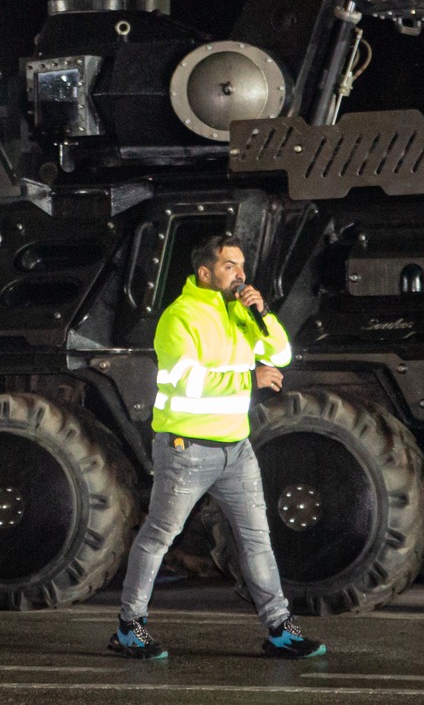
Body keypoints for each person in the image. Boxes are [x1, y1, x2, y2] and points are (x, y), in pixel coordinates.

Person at [108, 233, 326, 660]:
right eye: (230, 266)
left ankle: (280, 629)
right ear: (205, 272)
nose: (240, 275)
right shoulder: (179, 318)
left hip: (236, 448)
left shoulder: (238, 313)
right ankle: (128, 628)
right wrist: (249, 380)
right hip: (186, 449)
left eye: (242, 266)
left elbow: (280, 354)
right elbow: (187, 384)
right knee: (158, 537)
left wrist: (263, 313)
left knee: (257, 540)